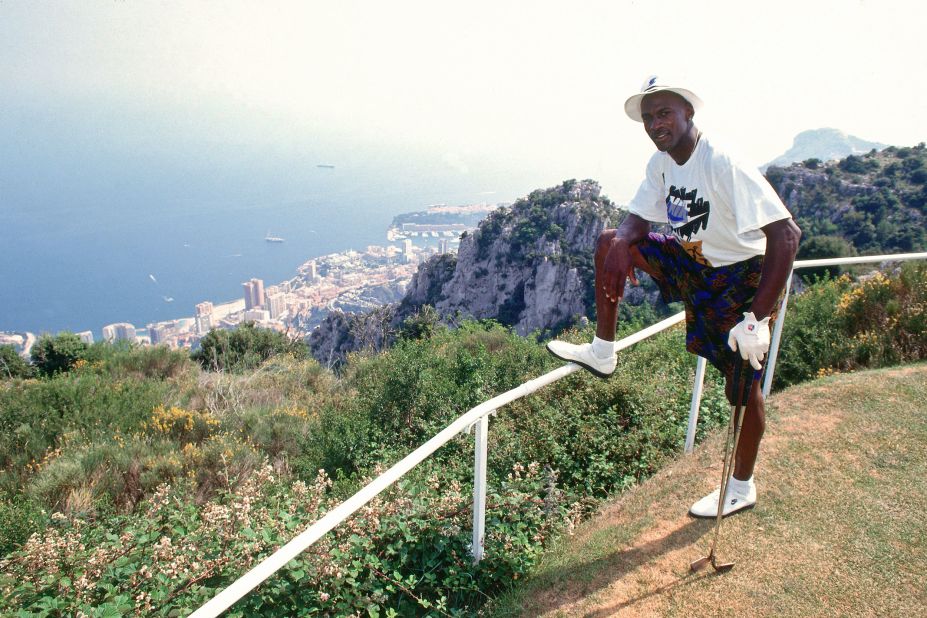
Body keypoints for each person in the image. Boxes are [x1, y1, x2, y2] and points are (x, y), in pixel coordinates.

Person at [547, 75, 801, 518]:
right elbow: (636, 221)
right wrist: (619, 248)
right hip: (694, 262)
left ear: (688, 113)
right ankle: (603, 352)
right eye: (648, 117)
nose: (654, 124)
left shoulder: (721, 161)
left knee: (741, 387)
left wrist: (757, 319)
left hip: (740, 278)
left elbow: (786, 236)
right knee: (609, 240)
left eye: (664, 113)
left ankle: (741, 487)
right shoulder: (662, 163)